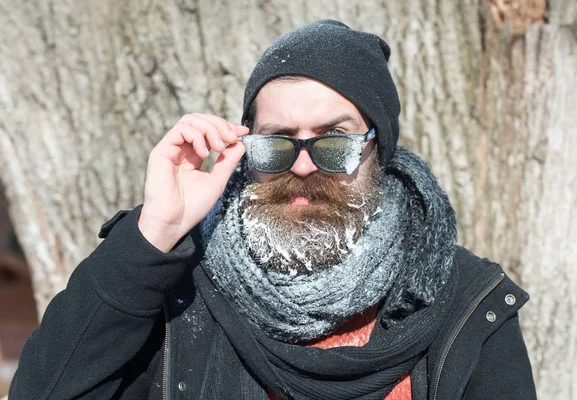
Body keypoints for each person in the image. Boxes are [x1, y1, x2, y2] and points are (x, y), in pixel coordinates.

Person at [9, 20, 536, 400]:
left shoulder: (462, 298)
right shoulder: (182, 288)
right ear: (245, 150)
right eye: (276, 143)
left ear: (381, 151)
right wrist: (153, 234)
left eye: (334, 142)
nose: (303, 167)